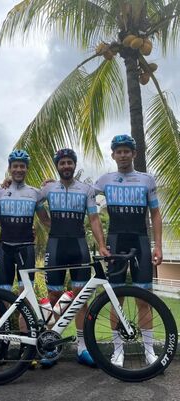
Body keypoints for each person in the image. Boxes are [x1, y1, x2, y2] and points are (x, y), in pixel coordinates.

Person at [94, 134, 162, 367]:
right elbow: (82, 195)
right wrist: (102, 244)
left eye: (127, 151)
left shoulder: (147, 180)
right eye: (118, 151)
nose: (122, 155)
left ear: (134, 154)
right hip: (116, 242)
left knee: (145, 299)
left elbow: (155, 214)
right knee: (117, 299)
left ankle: (149, 350)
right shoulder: (105, 180)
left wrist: (159, 246)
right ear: (112, 155)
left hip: (141, 242)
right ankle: (118, 351)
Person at [40, 148, 109, 368]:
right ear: (57, 166)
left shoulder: (86, 190)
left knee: (81, 298)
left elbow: (95, 219)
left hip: (78, 246)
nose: (66, 166)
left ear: (74, 165)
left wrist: (101, 245)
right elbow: (34, 203)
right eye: (62, 163)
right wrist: (49, 224)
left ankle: (82, 347)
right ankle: (52, 345)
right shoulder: (48, 188)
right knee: (53, 297)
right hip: (56, 245)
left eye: (70, 162)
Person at [0, 149, 50, 291]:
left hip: (26, 248)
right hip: (5, 247)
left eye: (22, 166)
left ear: (27, 168)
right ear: (9, 168)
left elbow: (45, 220)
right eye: (15, 166)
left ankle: (23, 315)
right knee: (1, 298)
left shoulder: (35, 193)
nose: (18, 169)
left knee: (27, 296)